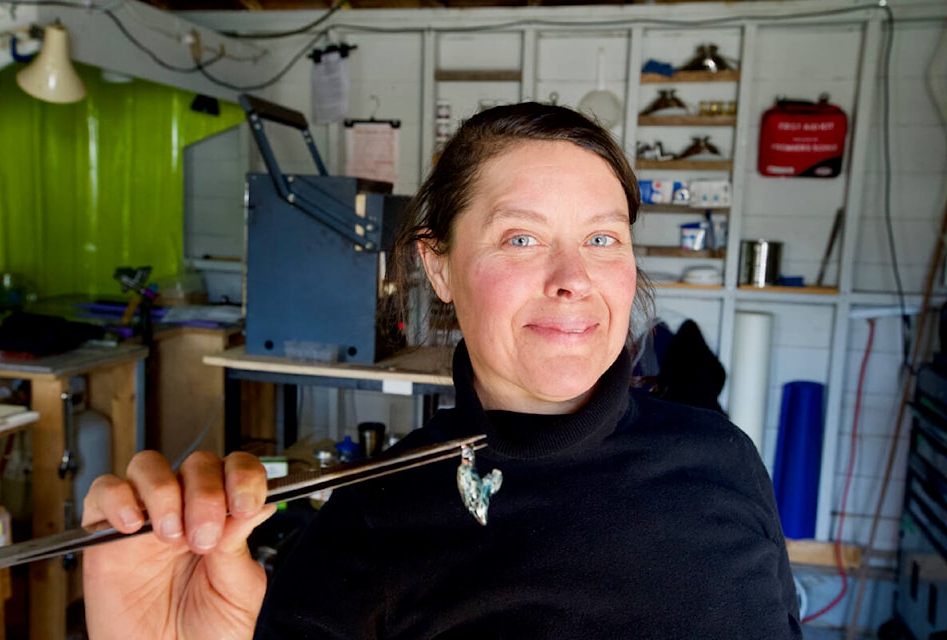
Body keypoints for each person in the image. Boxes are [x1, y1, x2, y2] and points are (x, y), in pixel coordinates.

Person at [82, 102, 802, 639]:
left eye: (602, 237)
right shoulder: (371, 519)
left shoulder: (722, 458)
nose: (572, 278)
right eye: (521, 237)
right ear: (439, 265)